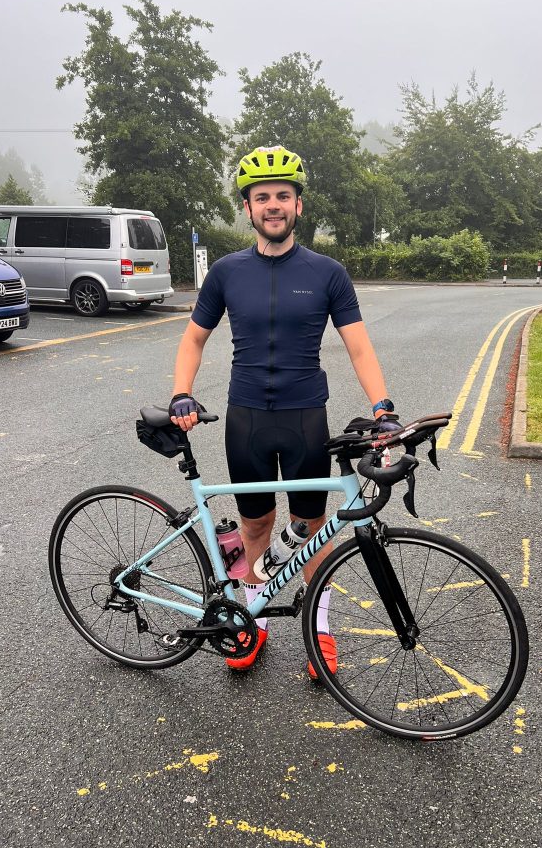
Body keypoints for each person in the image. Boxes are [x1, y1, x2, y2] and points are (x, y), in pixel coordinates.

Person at [170, 145, 399, 673]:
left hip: (305, 418)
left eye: (282, 195)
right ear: (248, 208)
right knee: (256, 528)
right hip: (247, 418)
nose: (272, 205)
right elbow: (194, 338)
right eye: (261, 197)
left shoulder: (327, 272)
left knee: (313, 531)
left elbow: (359, 347)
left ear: (298, 205)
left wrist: (382, 408)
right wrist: (182, 391)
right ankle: (253, 621)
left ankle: (319, 631)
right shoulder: (226, 272)